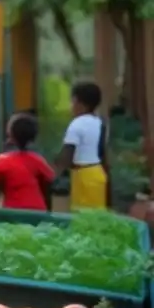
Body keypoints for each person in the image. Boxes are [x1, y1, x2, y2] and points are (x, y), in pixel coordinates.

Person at [54, 81, 111, 211]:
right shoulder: (100, 122)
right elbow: (103, 153)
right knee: (97, 217)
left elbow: (67, 154)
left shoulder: (76, 124)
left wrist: (54, 175)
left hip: (83, 176)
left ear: (79, 104)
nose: (71, 106)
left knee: (81, 217)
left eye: (72, 101)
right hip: (97, 173)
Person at [0, 113, 55, 212]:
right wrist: (48, 212)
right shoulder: (38, 160)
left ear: (10, 134)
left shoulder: (1, 161)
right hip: (38, 211)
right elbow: (48, 184)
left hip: (12, 212)